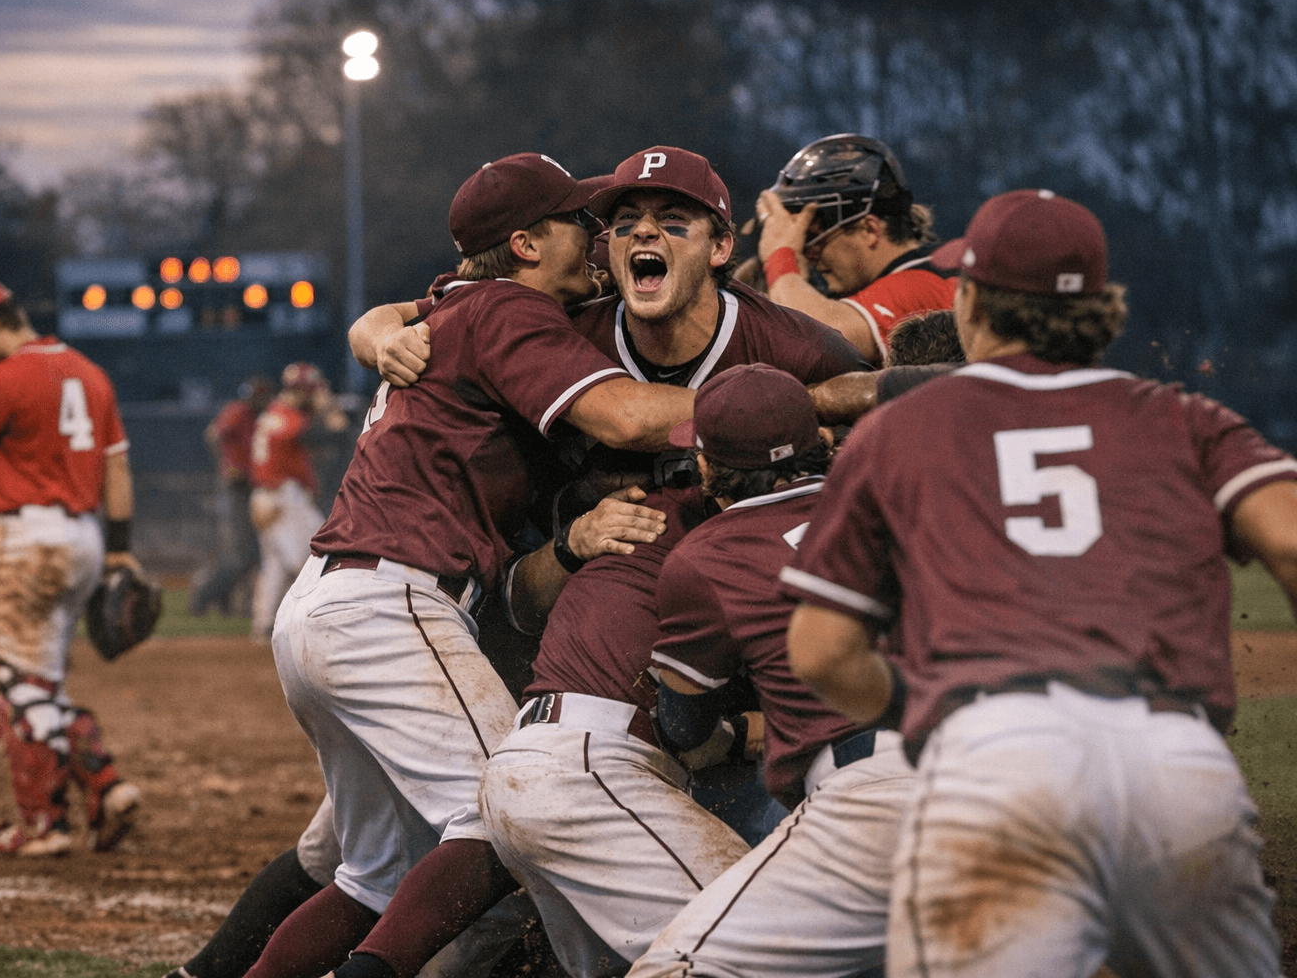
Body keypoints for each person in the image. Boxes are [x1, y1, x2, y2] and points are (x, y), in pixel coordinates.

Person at [353, 146, 865, 978]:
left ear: (721, 247)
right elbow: (516, 594)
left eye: (673, 221)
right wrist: (379, 331)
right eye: (624, 222)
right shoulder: (562, 329)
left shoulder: (793, 346)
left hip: (728, 705)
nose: (643, 234)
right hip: (575, 681)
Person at [783, 190, 1297, 977]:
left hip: (996, 761)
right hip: (1175, 765)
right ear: (1100, 309)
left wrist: (912, 701)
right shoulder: (1182, 417)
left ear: (968, 301)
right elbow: (1289, 541)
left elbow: (821, 653)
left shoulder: (898, 432)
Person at [242, 152, 698, 978]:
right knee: (515, 813)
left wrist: (373, 329)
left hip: (328, 604)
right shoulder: (507, 308)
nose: (596, 236)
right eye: (578, 222)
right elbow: (627, 418)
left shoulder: (459, 303)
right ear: (525, 244)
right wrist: (780, 406)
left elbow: (389, 317)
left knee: (374, 879)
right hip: (392, 605)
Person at [625, 363, 914, 978]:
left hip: (876, 792)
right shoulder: (901, 489)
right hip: (1010, 761)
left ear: (706, 469)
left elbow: (683, 725)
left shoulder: (705, 555)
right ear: (822, 441)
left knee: (674, 968)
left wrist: (733, 732)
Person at [0, 275, 143, 858]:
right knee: (41, 688)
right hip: (85, 537)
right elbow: (117, 470)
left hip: (25, 539)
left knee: (7, 687)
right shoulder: (89, 372)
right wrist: (118, 548)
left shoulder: (6, 376)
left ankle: (46, 825)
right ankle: (102, 789)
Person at [754, 133, 956, 366]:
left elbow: (816, 344)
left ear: (869, 230)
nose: (807, 252)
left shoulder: (921, 284)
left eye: (814, 236)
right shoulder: (926, 269)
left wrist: (780, 256)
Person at [247, 362, 347, 639]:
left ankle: (265, 623)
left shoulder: (275, 412)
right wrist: (326, 407)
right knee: (318, 555)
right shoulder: (287, 415)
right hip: (282, 497)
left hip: (270, 495)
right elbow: (334, 432)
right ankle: (314, 619)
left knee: (275, 565)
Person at [190, 375, 274, 618]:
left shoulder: (263, 416)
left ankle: (235, 603)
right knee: (238, 556)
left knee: (253, 554)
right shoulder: (239, 410)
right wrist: (227, 464)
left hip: (252, 486)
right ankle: (203, 595)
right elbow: (212, 434)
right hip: (235, 486)